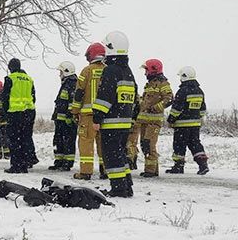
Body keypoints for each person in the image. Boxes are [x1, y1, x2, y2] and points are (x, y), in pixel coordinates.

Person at [92, 31, 138, 197]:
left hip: (111, 122)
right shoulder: (128, 71)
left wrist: (97, 116)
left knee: (111, 157)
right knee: (121, 155)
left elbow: (105, 97)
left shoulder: (111, 70)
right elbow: (135, 96)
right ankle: (126, 186)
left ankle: (118, 189)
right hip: (125, 123)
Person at [126, 59, 173, 177]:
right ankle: (150, 169)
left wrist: (156, 107)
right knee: (144, 144)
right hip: (144, 121)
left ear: (153, 69)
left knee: (150, 144)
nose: (145, 73)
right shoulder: (149, 84)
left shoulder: (163, 84)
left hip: (154, 122)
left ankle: (151, 170)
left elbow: (170, 98)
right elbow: (146, 102)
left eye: (146, 70)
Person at [70, 43, 107, 180]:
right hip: (105, 116)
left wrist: (74, 111)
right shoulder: (108, 70)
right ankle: (106, 170)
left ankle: (86, 172)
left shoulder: (87, 71)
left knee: (86, 143)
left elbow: (79, 92)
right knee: (103, 144)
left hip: (88, 116)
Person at [166, 66, 209, 175]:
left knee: (179, 145)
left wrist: (171, 120)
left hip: (182, 125)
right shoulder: (199, 91)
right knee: (195, 144)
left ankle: (178, 166)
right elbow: (202, 108)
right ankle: (202, 165)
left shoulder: (182, 91)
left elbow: (177, 109)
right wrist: (198, 119)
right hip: (195, 125)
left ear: (184, 77)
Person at [1, 58, 37, 173]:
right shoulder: (29, 79)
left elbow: (5, 98)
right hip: (29, 113)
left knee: (14, 140)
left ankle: (16, 165)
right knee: (25, 138)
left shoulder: (10, 78)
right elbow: (33, 97)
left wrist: (6, 112)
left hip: (15, 113)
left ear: (10, 67)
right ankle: (25, 164)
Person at [49, 61, 78, 171]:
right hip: (60, 120)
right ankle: (59, 161)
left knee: (68, 141)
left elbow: (72, 102)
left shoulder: (72, 84)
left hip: (67, 120)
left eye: (60, 72)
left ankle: (67, 162)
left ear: (66, 72)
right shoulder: (66, 83)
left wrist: (70, 116)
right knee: (58, 140)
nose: (59, 74)